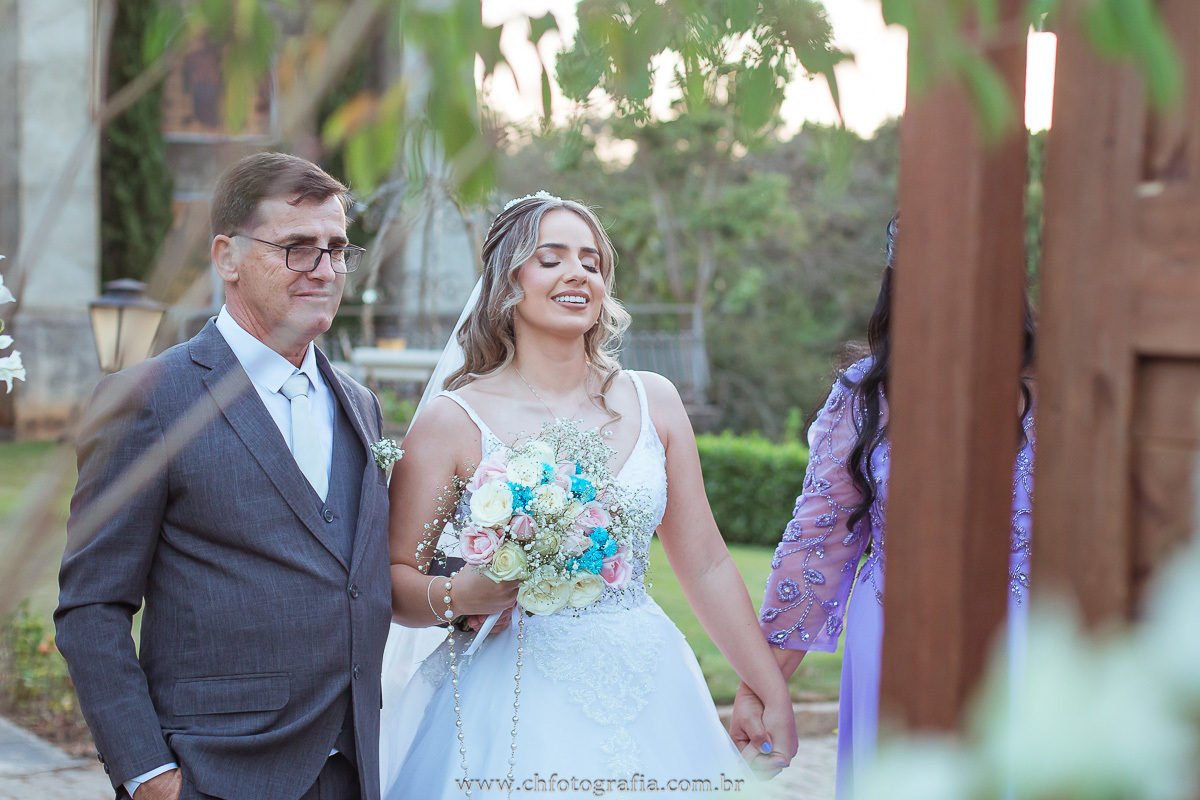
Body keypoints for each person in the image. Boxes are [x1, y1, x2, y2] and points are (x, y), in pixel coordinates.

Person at [379, 192, 797, 798]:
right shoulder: (454, 420)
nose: (578, 272)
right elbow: (392, 582)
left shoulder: (656, 400)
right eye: (550, 258)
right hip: (515, 699)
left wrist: (768, 689)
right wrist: (464, 591)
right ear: (507, 281)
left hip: (650, 683)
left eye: (591, 261)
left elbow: (705, 564)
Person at [55, 152, 392, 800]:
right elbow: (91, 607)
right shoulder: (150, 400)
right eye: (297, 248)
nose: (324, 270)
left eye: (336, 249)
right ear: (227, 257)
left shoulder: (362, 406)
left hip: (353, 772)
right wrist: (150, 777)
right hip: (215, 775)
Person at [729, 214, 1037, 797]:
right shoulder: (866, 393)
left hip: (1031, 638)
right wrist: (762, 689)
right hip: (894, 637)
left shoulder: (1062, 385)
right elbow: (817, 545)